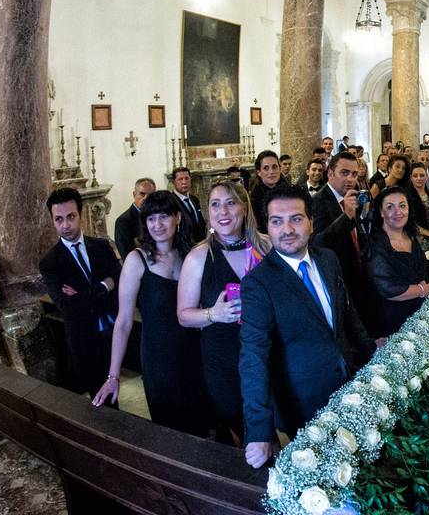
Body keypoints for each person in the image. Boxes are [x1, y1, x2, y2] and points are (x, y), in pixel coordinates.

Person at [240, 186, 377, 468]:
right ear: (267, 226)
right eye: (277, 221)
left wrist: (373, 356)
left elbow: (348, 316)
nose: (287, 229)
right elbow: (253, 357)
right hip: (304, 402)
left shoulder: (328, 259)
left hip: (348, 383)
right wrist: (259, 432)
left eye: (296, 219)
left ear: (311, 223)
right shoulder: (258, 283)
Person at [92, 191, 208, 436]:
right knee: (173, 431)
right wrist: (113, 376)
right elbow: (123, 322)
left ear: (177, 217)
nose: (157, 224)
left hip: (195, 352)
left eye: (164, 216)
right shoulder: (137, 260)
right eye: (151, 218)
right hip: (159, 357)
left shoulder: (190, 254)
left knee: (203, 425)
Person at [177, 180, 269, 443]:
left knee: (269, 428)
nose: (223, 212)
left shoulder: (265, 247)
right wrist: (213, 314)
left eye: (230, 203)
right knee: (242, 430)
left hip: (265, 354)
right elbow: (183, 315)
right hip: (224, 360)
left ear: (244, 208)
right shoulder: (199, 256)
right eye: (215, 205)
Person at [39, 188, 121, 402]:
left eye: (71, 217)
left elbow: (120, 285)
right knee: (100, 401)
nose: (65, 225)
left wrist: (82, 296)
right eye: (59, 219)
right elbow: (66, 306)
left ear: (80, 215)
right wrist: (103, 286)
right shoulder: (50, 262)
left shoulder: (102, 247)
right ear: (52, 220)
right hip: (85, 340)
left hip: (114, 332)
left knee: (117, 393)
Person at [365, 186, 429, 337]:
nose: (398, 212)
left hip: (419, 313)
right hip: (393, 320)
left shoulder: (411, 235)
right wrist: (423, 290)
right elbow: (387, 288)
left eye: (402, 206)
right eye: (390, 207)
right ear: (381, 212)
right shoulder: (376, 244)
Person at [311, 152, 372, 332]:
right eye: (344, 173)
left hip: (358, 273)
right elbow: (317, 242)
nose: (350, 179)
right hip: (337, 278)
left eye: (354, 174)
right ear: (330, 174)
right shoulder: (318, 201)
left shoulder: (353, 197)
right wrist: (345, 217)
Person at [114, 177, 156, 259]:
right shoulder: (123, 221)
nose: (146, 198)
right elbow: (126, 255)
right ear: (134, 194)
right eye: (142, 194)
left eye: (150, 195)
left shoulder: (157, 217)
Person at [407, 162, 429, 250]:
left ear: (427, 177)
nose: (419, 178)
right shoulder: (406, 196)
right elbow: (409, 221)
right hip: (418, 240)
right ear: (411, 178)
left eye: (422, 175)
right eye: (415, 176)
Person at [250, 150, 283, 233]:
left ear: (280, 169)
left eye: (274, 167)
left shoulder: (289, 191)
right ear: (259, 172)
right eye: (266, 168)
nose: (271, 172)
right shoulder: (255, 199)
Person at [171, 167, 206, 244]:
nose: (184, 182)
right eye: (180, 179)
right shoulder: (170, 201)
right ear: (173, 182)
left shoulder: (194, 199)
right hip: (183, 247)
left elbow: (201, 223)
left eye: (187, 178)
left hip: (201, 244)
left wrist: (212, 233)